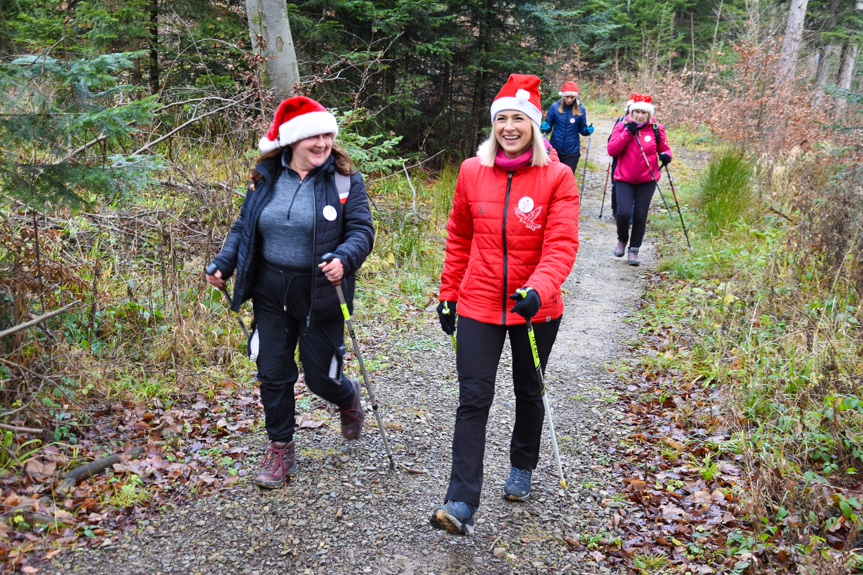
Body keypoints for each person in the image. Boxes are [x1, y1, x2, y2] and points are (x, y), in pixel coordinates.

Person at [429, 74, 580, 536]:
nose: (509, 127)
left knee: (528, 389)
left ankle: (522, 465)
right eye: (502, 119)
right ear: (492, 125)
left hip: (535, 306)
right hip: (478, 301)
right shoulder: (472, 171)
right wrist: (449, 294)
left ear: (535, 125)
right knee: (473, 397)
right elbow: (459, 238)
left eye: (519, 119)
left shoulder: (557, 176)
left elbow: (561, 245)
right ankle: (460, 499)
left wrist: (539, 288)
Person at [205, 96, 375, 488]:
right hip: (270, 292)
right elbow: (244, 228)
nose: (321, 144)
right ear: (291, 141)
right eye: (312, 137)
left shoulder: (345, 180)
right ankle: (280, 447)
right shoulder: (265, 176)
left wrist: (344, 258)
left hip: (321, 294)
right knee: (273, 372)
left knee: (321, 378)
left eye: (326, 136)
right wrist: (223, 264)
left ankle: (346, 397)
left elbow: (362, 232)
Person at [606, 93, 672, 266]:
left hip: (647, 179)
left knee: (640, 216)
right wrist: (628, 133)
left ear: (649, 114)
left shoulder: (657, 129)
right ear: (631, 112)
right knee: (623, 213)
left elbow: (665, 149)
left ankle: (634, 250)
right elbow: (612, 150)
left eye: (643, 112)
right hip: (624, 178)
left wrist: (666, 156)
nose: (640, 115)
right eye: (636, 112)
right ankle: (622, 240)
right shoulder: (622, 126)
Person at [541, 81, 594, 174]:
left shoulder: (580, 109)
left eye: (572, 97)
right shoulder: (554, 107)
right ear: (562, 96)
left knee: (567, 177)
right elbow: (548, 128)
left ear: (575, 97)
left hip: (572, 151)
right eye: (567, 97)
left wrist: (587, 131)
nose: (569, 100)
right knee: (553, 177)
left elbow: (582, 129)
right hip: (555, 149)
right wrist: (544, 127)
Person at [609, 94, 636, 219]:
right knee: (616, 186)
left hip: (635, 162)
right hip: (619, 159)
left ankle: (630, 216)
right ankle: (616, 211)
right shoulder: (621, 121)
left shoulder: (649, 126)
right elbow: (611, 141)